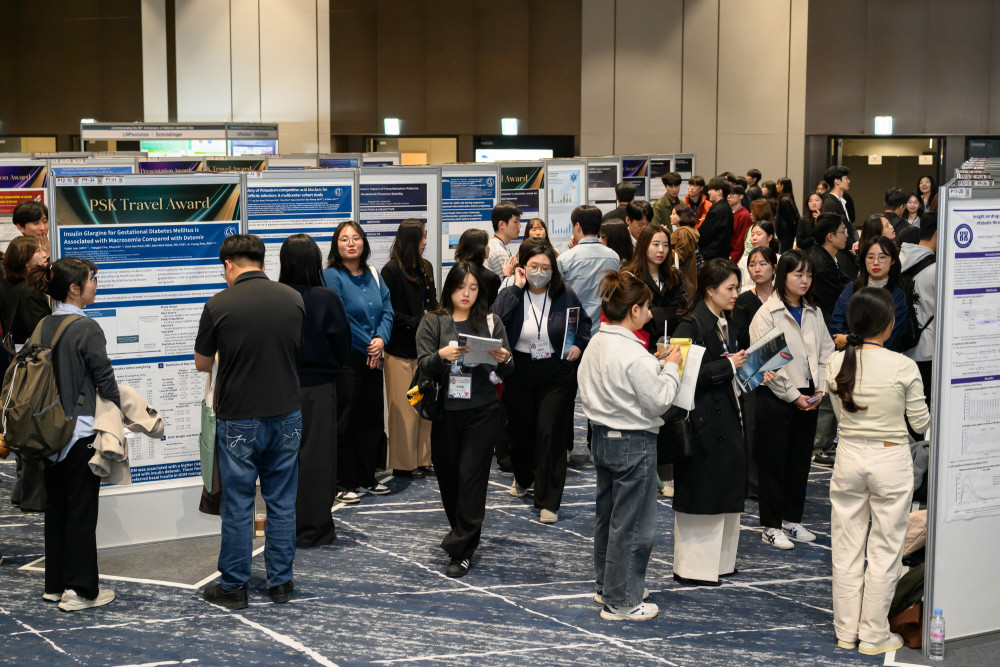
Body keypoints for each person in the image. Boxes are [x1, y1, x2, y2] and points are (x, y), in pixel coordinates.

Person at [194, 235, 304, 609]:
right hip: (287, 413)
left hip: (239, 417)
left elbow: (202, 363)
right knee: (282, 501)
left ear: (228, 265)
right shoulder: (293, 299)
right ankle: (281, 584)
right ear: (262, 261)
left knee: (239, 504)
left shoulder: (218, 304)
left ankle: (234, 587)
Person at [826, 287, 930, 655]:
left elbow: (840, 417)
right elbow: (922, 424)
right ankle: (872, 634)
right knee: (886, 550)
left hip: (849, 456)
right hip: (890, 458)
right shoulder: (903, 366)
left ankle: (845, 631)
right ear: (888, 323)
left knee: (846, 546)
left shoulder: (836, 362)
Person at [578, 270, 682, 621]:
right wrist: (671, 368)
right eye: (647, 307)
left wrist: (656, 366)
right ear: (634, 310)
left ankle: (608, 586)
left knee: (609, 518)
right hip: (633, 441)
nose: (650, 313)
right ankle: (621, 600)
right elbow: (660, 401)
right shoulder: (633, 353)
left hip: (602, 437)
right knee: (633, 523)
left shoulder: (597, 342)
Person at [672, 259, 771, 585]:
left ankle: (722, 563)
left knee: (726, 492)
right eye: (729, 288)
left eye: (736, 287)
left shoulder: (725, 321)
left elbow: (730, 367)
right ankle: (694, 568)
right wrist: (728, 367)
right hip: (702, 422)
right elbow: (679, 375)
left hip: (728, 416)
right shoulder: (690, 325)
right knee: (704, 494)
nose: (735, 294)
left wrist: (752, 370)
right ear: (709, 290)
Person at [415, 262, 514, 577]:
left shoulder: (490, 321)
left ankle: (461, 550)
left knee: (472, 479)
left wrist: (504, 359)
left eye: (473, 288)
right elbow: (424, 364)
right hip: (445, 411)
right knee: (449, 480)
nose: (467, 294)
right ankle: (461, 534)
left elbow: (508, 368)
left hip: (482, 410)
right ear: (450, 289)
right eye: (461, 287)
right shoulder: (434, 321)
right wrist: (441, 356)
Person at [33, 258, 119, 611]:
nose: (95, 284)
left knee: (56, 510)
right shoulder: (86, 327)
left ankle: (55, 585)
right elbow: (104, 377)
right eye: (91, 279)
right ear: (74, 288)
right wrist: (118, 405)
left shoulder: (43, 325)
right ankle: (81, 591)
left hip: (46, 431)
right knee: (82, 512)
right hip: (79, 431)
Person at [493, 239, 591, 523]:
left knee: (550, 433)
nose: (539, 272)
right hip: (519, 369)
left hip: (556, 371)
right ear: (523, 266)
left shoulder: (565, 294)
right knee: (521, 432)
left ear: (553, 270)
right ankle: (523, 476)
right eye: (533, 266)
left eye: (546, 268)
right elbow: (495, 319)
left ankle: (549, 500)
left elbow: (583, 325)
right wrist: (515, 287)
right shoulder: (512, 291)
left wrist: (579, 345)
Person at [750, 250, 835, 549]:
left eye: (809, 274)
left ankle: (792, 520)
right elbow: (768, 362)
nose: (805, 280)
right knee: (774, 463)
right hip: (777, 396)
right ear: (783, 275)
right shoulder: (767, 313)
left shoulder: (814, 311)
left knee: (799, 462)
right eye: (798, 274)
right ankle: (771, 526)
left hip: (810, 394)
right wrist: (793, 395)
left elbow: (826, 352)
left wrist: (821, 389)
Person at [278, 234, 351, 548]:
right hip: (319, 388)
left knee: (283, 460)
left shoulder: (277, 297)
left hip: (281, 388)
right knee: (319, 459)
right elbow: (343, 344)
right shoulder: (326, 298)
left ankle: (286, 527)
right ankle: (316, 528)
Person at [323, 221, 394, 503]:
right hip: (349, 357)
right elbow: (342, 317)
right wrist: (370, 345)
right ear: (336, 245)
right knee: (346, 420)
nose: (351, 243)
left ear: (364, 242)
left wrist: (381, 340)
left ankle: (367, 477)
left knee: (371, 418)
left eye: (356, 238)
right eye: (344, 239)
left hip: (373, 355)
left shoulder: (373, 274)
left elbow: (387, 310)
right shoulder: (332, 276)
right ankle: (343, 482)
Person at [382, 219, 437, 479]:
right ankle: (404, 464)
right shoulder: (391, 271)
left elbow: (432, 303)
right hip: (400, 350)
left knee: (423, 404)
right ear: (410, 241)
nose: (425, 242)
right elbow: (389, 312)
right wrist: (418, 323)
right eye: (422, 237)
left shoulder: (426, 267)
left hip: (424, 350)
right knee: (405, 408)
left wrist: (434, 324)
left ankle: (423, 458)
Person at [3, 235, 51, 513]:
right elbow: (41, 334)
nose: (44, 254)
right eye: (38, 251)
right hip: (34, 369)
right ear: (24, 259)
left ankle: (22, 492)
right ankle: (33, 497)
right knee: (36, 431)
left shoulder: (16, 288)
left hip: (20, 366)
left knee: (24, 429)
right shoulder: (30, 293)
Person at [731, 246, 779, 499]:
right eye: (752, 264)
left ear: (774, 267)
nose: (757, 269)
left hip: (781, 367)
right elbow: (740, 337)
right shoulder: (743, 300)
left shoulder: (782, 298)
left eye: (763, 263)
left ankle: (774, 479)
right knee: (752, 426)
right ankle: (752, 482)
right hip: (752, 368)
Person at [830, 237, 908, 352]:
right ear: (864, 260)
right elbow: (837, 326)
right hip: (849, 356)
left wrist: (849, 339)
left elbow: (891, 338)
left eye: (882, 257)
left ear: (892, 260)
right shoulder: (852, 288)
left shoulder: (897, 295)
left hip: (880, 358)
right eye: (870, 257)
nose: (876, 263)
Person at [558, 205, 621, 336]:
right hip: (604, 328)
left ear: (577, 226)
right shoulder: (614, 257)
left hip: (574, 331)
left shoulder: (564, 259)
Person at [623, 224, 688, 348]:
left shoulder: (674, 275)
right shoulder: (631, 276)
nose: (661, 250)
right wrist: (667, 313)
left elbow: (682, 310)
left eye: (665, 245)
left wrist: (652, 314)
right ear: (644, 245)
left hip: (671, 342)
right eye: (656, 244)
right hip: (640, 344)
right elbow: (632, 314)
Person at [899, 213, 937, 402]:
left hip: (901, 343)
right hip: (927, 349)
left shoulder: (899, 258)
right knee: (924, 405)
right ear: (938, 234)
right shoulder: (937, 270)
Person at [809, 213, 851, 324]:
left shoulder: (826, 254)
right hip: (828, 323)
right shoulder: (821, 265)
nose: (847, 235)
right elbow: (838, 300)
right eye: (843, 231)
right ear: (830, 237)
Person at [454, 228, 502, 306]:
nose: (489, 247)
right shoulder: (491, 278)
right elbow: (492, 308)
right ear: (479, 248)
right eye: (486, 244)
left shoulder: (455, 272)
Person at [821, 165, 859, 249]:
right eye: (846, 178)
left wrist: (856, 242)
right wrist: (851, 246)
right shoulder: (830, 203)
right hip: (841, 250)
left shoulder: (842, 200)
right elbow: (834, 232)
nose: (849, 181)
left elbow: (849, 226)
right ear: (837, 181)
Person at [670, 204, 700, 304]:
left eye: (673, 214)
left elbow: (679, 256)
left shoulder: (683, 233)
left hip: (684, 280)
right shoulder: (688, 231)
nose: (670, 216)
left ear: (682, 216)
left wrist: (666, 248)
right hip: (687, 279)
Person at [699, 178, 734, 262]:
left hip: (712, 257)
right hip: (721, 256)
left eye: (711, 189)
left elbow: (704, 234)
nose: (708, 192)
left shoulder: (717, 210)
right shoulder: (726, 207)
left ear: (719, 192)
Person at [485, 201, 522, 278]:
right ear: (502, 224)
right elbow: (505, 283)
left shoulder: (497, 245)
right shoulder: (499, 251)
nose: (519, 225)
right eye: (515, 221)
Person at [728, 184, 752, 262]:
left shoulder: (744, 215)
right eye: (728, 194)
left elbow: (741, 241)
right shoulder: (728, 212)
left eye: (732, 194)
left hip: (735, 256)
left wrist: (733, 258)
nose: (729, 196)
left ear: (741, 196)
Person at [775, 178, 799, 253]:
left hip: (786, 233)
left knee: (784, 253)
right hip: (788, 232)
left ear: (782, 186)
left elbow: (789, 219)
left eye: (778, 184)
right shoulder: (789, 198)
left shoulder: (784, 200)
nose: (776, 186)